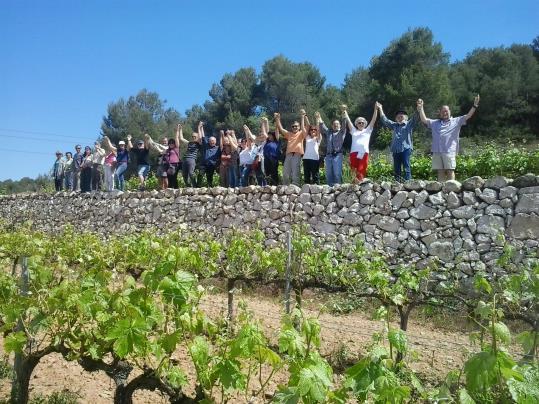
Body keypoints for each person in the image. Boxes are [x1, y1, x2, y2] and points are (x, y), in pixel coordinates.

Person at [418, 95, 480, 181]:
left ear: (449, 111)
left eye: (446, 111)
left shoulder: (456, 121)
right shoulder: (435, 123)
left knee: (450, 170)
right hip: (437, 151)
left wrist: (475, 105)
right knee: (440, 171)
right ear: (440, 113)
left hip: (449, 151)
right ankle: (441, 191)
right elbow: (424, 119)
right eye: (443, 111)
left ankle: (452, 190)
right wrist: (421, 108)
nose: (445, 113)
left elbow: (468, 115)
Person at [378, 103, 418, 182]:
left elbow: (415, 117)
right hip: (395, 150)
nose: (400, 116)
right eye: (398, 116)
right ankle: (397, 183)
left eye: (402, 115)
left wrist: (419, 108)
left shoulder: (409, 124)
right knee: (397, 168)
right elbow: (384, 120)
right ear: (396, 119)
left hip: (406, 149)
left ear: (406, 118)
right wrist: (380, 108)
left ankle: (408, 183)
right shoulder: (394, 125)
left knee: (406, 167)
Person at [343, 103, 378, 182]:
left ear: (365, 124)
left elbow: (373, 119)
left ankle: (360, 188)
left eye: (362, 122)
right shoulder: (353, 130)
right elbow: (348, 120)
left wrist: (376, 109)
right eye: (359, 122)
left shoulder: (368, 130)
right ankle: (354, 188)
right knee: (353, 171)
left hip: (364, 153)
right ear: (356, 124)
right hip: (353, 153)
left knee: (361, 170)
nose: (361, 123)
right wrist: (345, 111)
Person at [274, 111, 306, 186]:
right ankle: (285, 187)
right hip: (288, 155)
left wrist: (302, 116)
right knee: (285, 173)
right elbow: (281, 129)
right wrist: (277, 119)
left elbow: (304, 127)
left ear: (299, 127)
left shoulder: (301, 133)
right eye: (293, 126)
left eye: (296, 126)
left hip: (297, 154)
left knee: (295, 172)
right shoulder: (289, 134)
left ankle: (296, 187)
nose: (295, 127)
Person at [316, 111, 347, 187]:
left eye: (337, 124)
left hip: (337, 155)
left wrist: (344, 116)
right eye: (334, 124)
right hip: (329, 156)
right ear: (332, 125)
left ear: (339, 125)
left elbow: (344, 125)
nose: (335, 125)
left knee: (337, 173)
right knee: (329, 173)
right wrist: (319, 118)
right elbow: (323, 126)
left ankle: (338, 189)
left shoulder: (342, 132)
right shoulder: (329, 132)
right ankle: (330, 189)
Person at [180, 121, 203, 187]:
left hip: (192, 159)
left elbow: (201, 137)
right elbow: (181, 139)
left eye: (195, 136)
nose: (193, 137)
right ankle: (188, 186)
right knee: (184, 174)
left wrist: (199, 127)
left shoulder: (198, 143)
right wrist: (180, 129)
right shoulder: (189, 143)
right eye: (193, 136)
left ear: (197, 137)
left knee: (191, 173)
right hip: (185, 159)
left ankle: (195, 186)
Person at [302, 114, 321, 184]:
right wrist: (303, 117)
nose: (313, 130)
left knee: (315, 176)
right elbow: (306, 126)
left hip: (315, 159)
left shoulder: (318, 138)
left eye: (314, 129)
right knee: (306, 176)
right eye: (311, 130)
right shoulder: (307, 137)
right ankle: (306, 192)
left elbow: (318, 129)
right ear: (309, 131)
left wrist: (317, 120)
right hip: (306, 158)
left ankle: (317, 191)